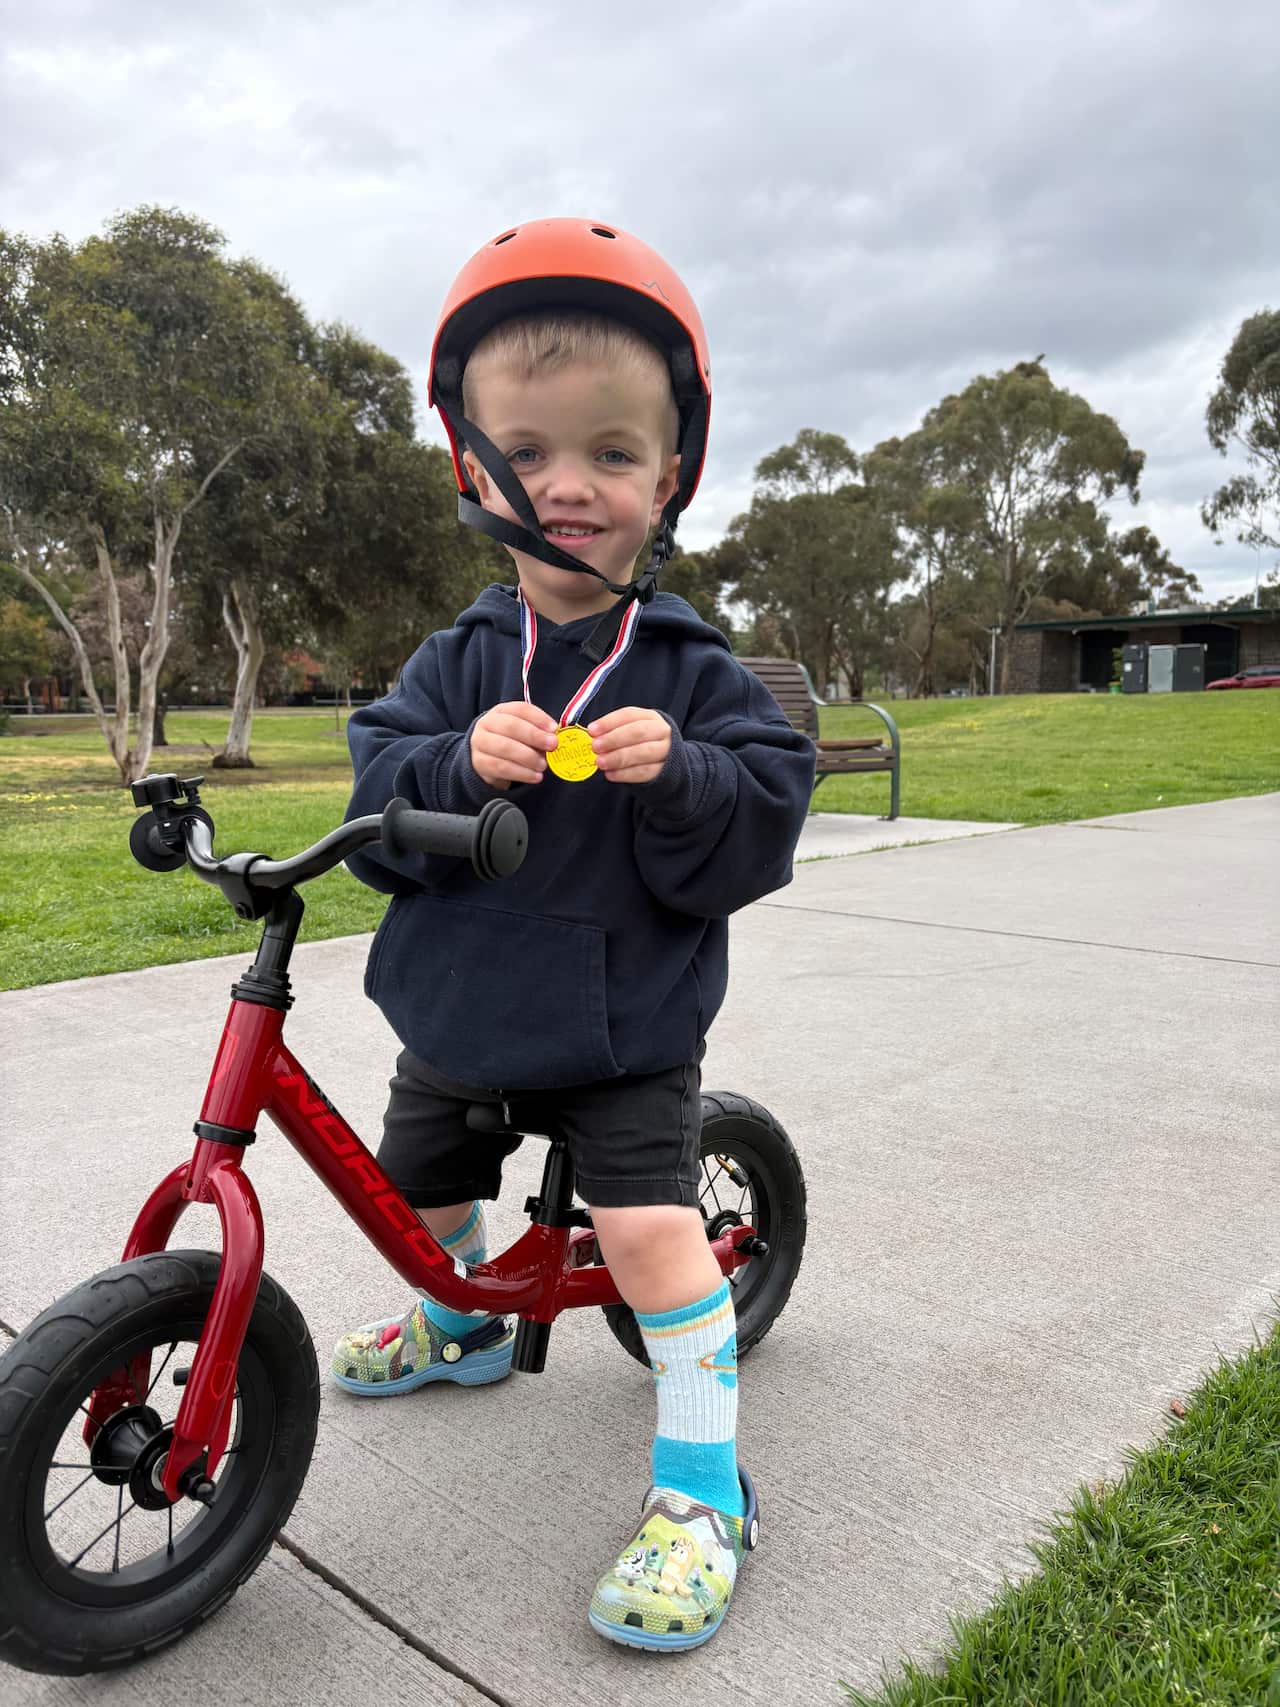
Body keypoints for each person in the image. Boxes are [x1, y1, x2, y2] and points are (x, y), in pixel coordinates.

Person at [331, 218, 815, 1650]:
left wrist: (695, 773)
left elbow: (765, 820)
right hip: (464, 1011)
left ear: (673, 473)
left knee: (656, 1238)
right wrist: (446, 766)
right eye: (531, 450)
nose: (572, 484)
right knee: (403, 1195)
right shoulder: (452, 662)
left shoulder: (693, 667)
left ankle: (701, 1494)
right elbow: (374, 792)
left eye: (613, 452)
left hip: (625, 1035)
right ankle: (465, 1323)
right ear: (472, 467)